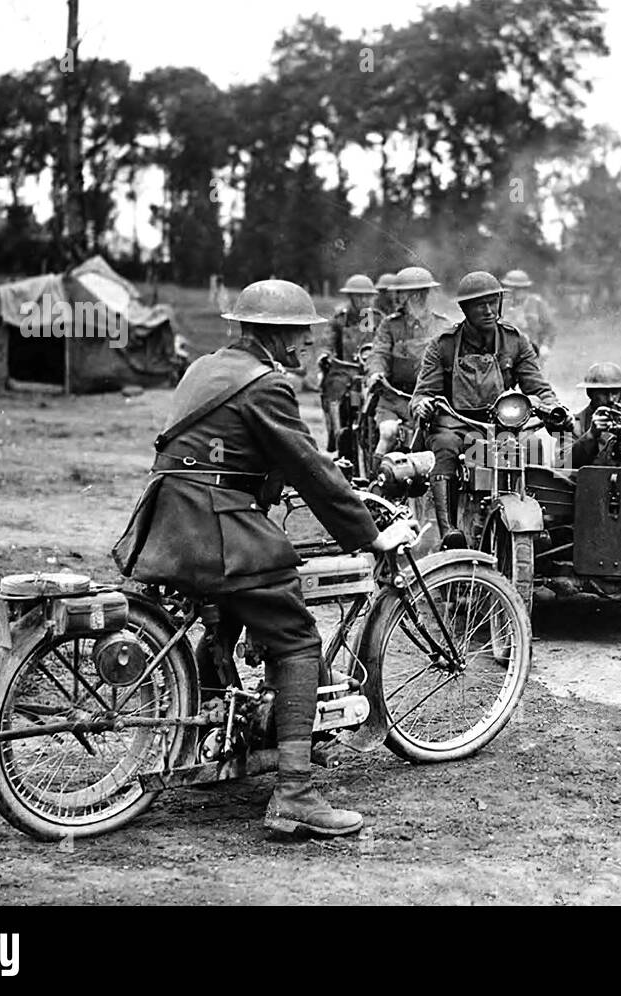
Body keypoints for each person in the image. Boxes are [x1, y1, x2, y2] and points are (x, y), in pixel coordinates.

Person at [111, 279, 419, 839]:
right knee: (297, 638)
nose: (303, 349)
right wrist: (368, 532)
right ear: (277, 337)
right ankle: (295, 792)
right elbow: (307, 465)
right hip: (216, 523)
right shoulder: (267, 385)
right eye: (299, 338)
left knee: (224, 619)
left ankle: (208, 738)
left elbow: (225, 446)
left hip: (170, 518)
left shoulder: (207, 366)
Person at [411, 270, 565, 549]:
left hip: (500, 423)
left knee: (533, 449)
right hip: (455, 422)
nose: (488, 310)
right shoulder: (443, 345)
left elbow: (537, 386)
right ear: (465, 309)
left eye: (493, 302)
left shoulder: (515, 341)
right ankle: (449, 532)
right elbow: (422, 393)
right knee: (444, 447)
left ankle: (534, 523)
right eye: (479, 304)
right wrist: (423, 405)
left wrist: (552, 407)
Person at [365, 266, 452, 458]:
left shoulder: (443, 326)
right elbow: (379, 353)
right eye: (410, 294)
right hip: (394, 398)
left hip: (431, 401)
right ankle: (376, 481)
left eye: (422, 293)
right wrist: (376, 373)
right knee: (388, 433)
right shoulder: (389, 325)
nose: (417, 299)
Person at [318, 273, 382, 452]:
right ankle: (336, 434)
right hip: (343, 370)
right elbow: (328, 340)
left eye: (366, 296)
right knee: (334, 392)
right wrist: (325, 355)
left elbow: (368, 341)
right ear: (350, 297)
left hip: (367, 369)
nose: (363, 300)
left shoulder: (370, 317)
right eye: (358, 296)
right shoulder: (341, 318)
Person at [569, 361, 621, 468]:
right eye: (604, 393)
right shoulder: (570, 424)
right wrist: (591, 435)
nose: (611, 399)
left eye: (615, 392)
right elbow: (562, 465)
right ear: (590, 393)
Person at [501, 269, 556, 358]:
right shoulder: (503, 304)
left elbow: (549, 328)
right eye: (511, 288)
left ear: (525, 288)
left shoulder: (536, 303)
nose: (514, 292)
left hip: (531, 350)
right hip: (507, 352)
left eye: (518, 288)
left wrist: (545, 346)